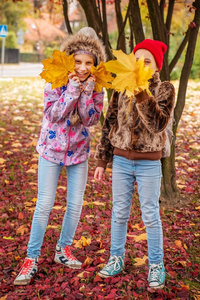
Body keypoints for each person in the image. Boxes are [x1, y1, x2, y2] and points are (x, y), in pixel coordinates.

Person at [14, 27, 106, 286]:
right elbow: (53, 114)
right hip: (51, 151)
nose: (83, 67)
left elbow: (92, 120)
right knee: (44, 204)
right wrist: (72, 91)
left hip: (78, 152)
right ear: (69, 59)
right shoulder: (55, 79)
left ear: (95, 64)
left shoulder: (96, 87)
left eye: (89, 62)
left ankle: (63, 250)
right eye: (78, 61)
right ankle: (31, 258)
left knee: (75, 205)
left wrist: (87, 92)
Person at [94, 39, 175, 289]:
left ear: (156, 66)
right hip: (120, 160)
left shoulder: (164, 89)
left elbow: (158, 125)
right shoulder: (122, 87)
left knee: (150, 214)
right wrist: (102, 159)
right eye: (136, 60)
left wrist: (142, 93)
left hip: (149, 163)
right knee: (119, 213)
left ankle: (156, 264)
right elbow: (109, 122)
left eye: (147, 61)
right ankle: (116, 257)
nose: (140, 65)